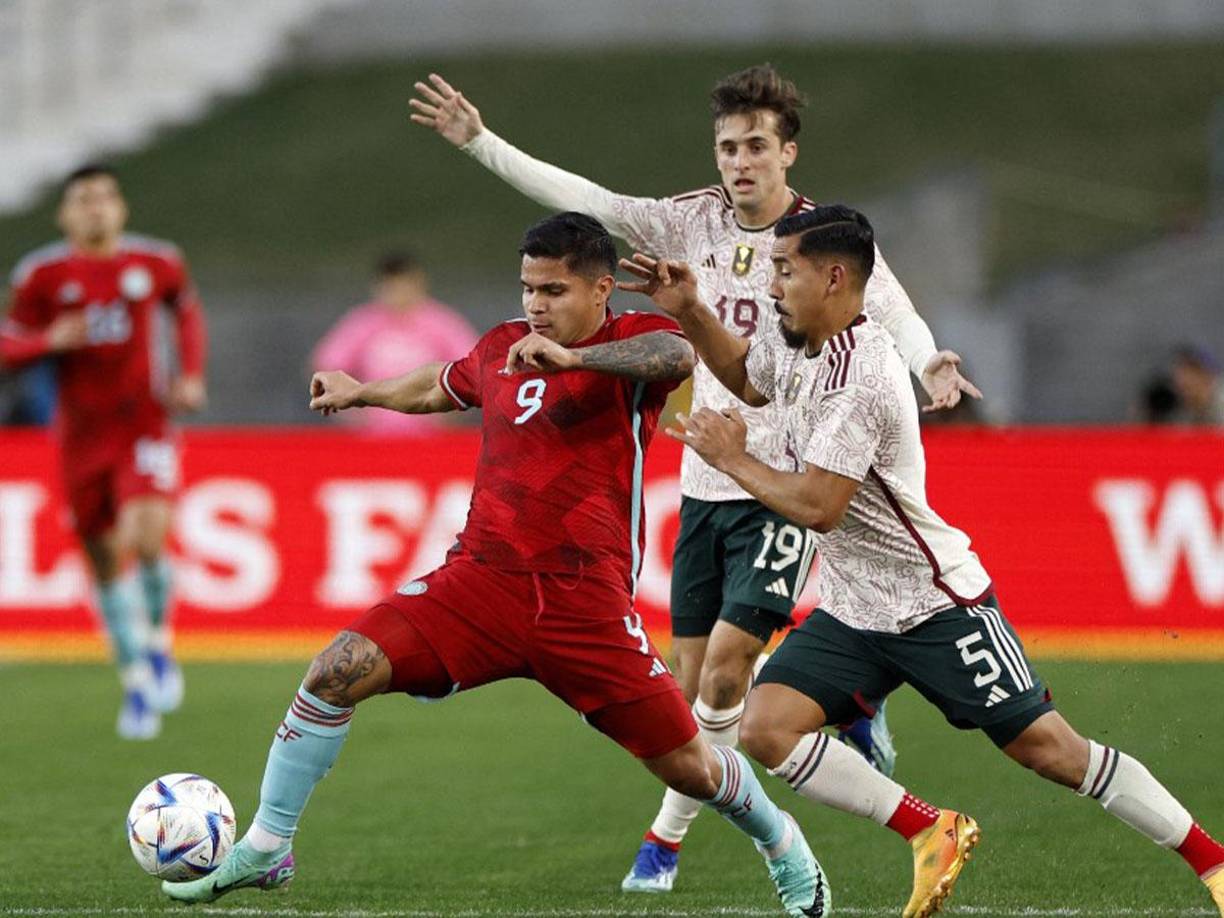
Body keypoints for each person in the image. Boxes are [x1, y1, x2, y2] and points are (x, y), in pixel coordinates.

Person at [410, 63, 980, 892]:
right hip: (706, 477)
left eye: (755, 146)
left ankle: (665, 841)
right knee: (689, 684)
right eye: (726, 147)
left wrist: (930, 359)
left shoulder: (823, 240)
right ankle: (850, 697)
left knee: (723, 671)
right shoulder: (688, 224)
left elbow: (888, 305)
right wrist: (482, 143)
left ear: (787, 152)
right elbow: (594, 200)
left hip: (781, 473)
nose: (738, 162)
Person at [162, 213, 830, 917]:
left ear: (602, 289)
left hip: (583, 604)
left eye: (554, 289)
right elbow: (439, 385)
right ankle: (269, 846)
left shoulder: (627, 344)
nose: (535, 304)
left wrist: (579, 361)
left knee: (690, 767)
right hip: (477, 584)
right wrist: (364, 391)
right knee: (334, 671)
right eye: (527, 288)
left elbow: (676, 357)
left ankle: (781, 842)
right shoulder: (504, 346)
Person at [619, 204, 1224, 918]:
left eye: (785, 270)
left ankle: (1212, 863)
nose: (771, 285)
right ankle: (928, 827)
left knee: (1051, 752)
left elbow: (819, 507)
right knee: (765, 727)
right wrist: (690, 309)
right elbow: (750, 378)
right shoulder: (800, 335)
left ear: (835, 278)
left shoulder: (862, 378)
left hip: (932, 601)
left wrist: (733, 458)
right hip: (854, 606)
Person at [0, 164, 207, 740]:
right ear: (64, 214)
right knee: (102, 556)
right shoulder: (42, 275)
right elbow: (8, 342)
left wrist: (190, 375)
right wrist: (47, 341)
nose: (96, 208)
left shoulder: (157, 262)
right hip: (80, 437)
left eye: (106, 197)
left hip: (144, 421)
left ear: (122, 208)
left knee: (145, 535)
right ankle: (136, 678)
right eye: (83, 199)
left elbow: (186, 312)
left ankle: (161, 641)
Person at [311, 250, 478, 435]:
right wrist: (352, 416)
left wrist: (449, 416)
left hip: (429, 438)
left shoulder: (441, 323)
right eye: (393, 287)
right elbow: (325, 367)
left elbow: (474, 371)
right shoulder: (363, 323)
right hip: (374, 438)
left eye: (404, 285)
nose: (399, 293)